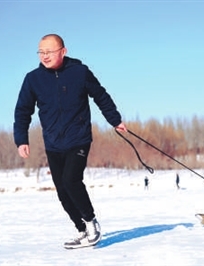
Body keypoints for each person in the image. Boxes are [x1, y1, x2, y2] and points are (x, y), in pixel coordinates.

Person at [13, 34, 128, 249]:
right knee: (62, 192)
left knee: (71, 180)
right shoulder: (33, 79)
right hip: (53, 143)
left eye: (49, 51)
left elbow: (100, 96)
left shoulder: (80, 72)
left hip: (78, 138)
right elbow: (22, 111)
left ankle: (92, 223)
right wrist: (21, 139)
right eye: (41, 52)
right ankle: (82, 230)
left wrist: (115, 120)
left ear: (63, 51)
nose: (44, 56)